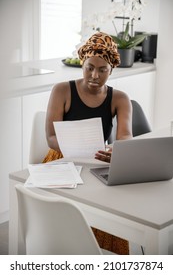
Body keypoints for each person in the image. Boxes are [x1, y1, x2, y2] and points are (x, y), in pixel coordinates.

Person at [43, 32, 133, 254]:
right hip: (61, 160)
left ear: (112, 69)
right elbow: (51, 137)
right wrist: (76, 150)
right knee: (64, 217)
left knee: (108, 211)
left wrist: (117, 151)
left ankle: (100, 258)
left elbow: (125, 137)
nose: (95, 75)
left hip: (97, 161)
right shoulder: (62, 90)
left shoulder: (120, 98)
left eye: (103, 70)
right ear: (82, 63)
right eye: (89, 67)